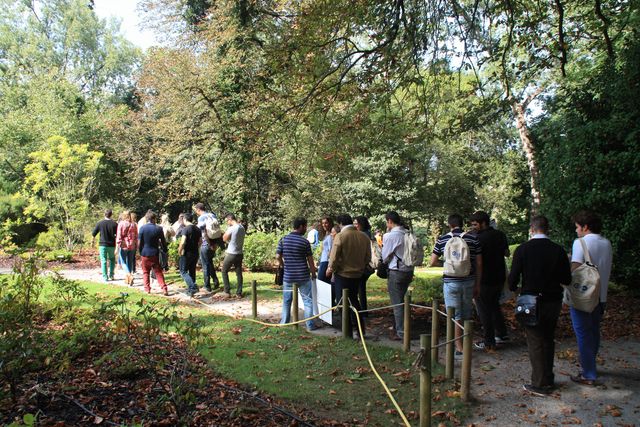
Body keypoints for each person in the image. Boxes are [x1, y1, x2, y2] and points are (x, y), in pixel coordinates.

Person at [508, 216, 572, 396]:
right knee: (548, 338)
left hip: (531, 300)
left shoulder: (523, 249)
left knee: (535, 340)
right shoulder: (557, 250)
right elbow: (566, 279)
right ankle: (548, 376)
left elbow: (513, 278)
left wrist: (514, 290)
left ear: (532, 229)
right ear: (547, 229)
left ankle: (540, 383)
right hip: (553, 300)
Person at [568, 210, 613, 386]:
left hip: (584, 296)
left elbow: (575, 268)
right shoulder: (606, 243)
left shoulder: (580, 243)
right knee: (594, 331)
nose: (576, 231)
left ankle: (588, 373)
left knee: (583, 333)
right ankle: (590, 365)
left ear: (585, 227)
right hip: (601, 295)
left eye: (577, 227)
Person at [430, 214, 482, 356]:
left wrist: (447, 265)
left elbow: (432, 261)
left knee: (454, 314)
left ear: (449, 224)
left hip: (451, 281)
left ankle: (459, 348)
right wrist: (478, 284)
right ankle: (465, 343)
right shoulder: (472, 238)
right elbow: (478, 263)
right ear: (462, 223)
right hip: (469, 280)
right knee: (466, 313)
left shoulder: (443, 239)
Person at [470, 211, 510, 350]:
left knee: (484, 309)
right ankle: (502, 334)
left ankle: (489, 340)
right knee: (494, 306)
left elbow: (475, 259)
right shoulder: (500, 235)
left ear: (483, 223)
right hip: (499, 276)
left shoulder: (476, 238)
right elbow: (507, 253)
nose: (473, 227)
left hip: (484, 278)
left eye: (475, 224)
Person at [327, 214, 371, 337]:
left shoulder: (340, 236)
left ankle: (347, 332)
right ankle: (361, 330)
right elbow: (368, 257)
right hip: (358, 274)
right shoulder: (364, 236)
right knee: (355, 301)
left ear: (340, 223)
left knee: (342, 303)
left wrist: (331, 269)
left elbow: (334, 257)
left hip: (342, 274)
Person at [277, 217, 318, 331]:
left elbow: (277, 256)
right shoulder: (304, 242)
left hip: (288, 276)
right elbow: (310, 261)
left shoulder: (283, 240)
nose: (305, 229)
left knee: (286, 301)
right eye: (305, 226)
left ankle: (284, 323)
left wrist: (283, 265)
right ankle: (310, 326)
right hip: (303, 276)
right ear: (300, 227)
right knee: (307, 301)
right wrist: (313, 274)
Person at [382, 211, 415, 341]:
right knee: (402, 301)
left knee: (397, 304)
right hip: (408, 270)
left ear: (390, 221)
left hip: (396, 271)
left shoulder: (390, 236)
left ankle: (401, 333)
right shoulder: (407, 233)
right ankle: (400, 328)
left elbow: (384, 257)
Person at [138, 210, 169, 295]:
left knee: (145, 272)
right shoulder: (159, 228)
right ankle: (164, 288)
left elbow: (139, 243)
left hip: (145, 252)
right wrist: (165, 251)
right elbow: (163, 242)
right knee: (158, 272)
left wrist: (140, 251)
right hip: (155, 253)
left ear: (147, 219)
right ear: (154, 219)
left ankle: (147, 289)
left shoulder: (142, 228)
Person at [194, 203, 220, 292]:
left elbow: (201, 230)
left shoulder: (201, 218)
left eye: (195, 210)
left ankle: (207, 286)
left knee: (205, 265)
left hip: (206, 243)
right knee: (210, 262)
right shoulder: (212, 215)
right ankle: (216, 281)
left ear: (198, 209)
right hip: (214, 243)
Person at [177, 212, 202, 297]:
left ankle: (192, 287)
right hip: (195, 252)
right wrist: (196, 247)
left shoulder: (186, 229)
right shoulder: (198, 229)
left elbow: (183, 241)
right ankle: (191, 290)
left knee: (183, 271)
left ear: (185, 219)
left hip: (186, 252)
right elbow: (200, 242)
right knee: (192, 271)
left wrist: (180, 250)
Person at [221, 214, 246, 297]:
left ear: (230, 219)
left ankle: (227, 291)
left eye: (227, 221)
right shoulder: (242, 227)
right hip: (239, 253)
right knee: (239, 273)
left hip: (231, 253)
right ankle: (239, 292)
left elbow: (224, 238)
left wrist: (225, 233)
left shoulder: (232, 228)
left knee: (224, 271)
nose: (227, 223)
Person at [354, 215, 374, 314]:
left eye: (356, 224)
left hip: (364, 265)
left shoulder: (363, 235)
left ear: (361, 224)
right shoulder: (368, 234)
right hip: (366, 265)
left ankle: (363, 310)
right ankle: (363, 309)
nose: (355, 226)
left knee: (361, 288)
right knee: (361, 287)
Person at [91, 209, 118, 283]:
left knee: (103, 260)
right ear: (111, 214)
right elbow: (118, 235)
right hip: (112, 245)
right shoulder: (114, 224)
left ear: (104, 214)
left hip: (102, 244)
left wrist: (92, 242)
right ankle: (111, 275)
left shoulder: (100, 223)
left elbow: (94, 233)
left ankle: (105, 277)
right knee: (112, 260)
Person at [116, 210, 138, 285]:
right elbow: (136, 236)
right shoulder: (134, 224)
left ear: (123, 215)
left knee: (122, 262)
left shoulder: (121, 224)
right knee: (130, 262)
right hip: (132, 246)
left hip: (124, 245)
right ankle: (128, 280)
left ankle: (129, 275)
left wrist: (117, 246)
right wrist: (136, 245)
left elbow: (119, 236)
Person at [317, 216, 335, 283]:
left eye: (326, 223)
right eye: (323, 223)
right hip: (323, 261)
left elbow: (331, 250)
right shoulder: (326, 235)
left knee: (321, 282)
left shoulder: (331, 236)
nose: (324, 225)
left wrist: (329, 266)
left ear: (330, 223)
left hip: (326, 262)